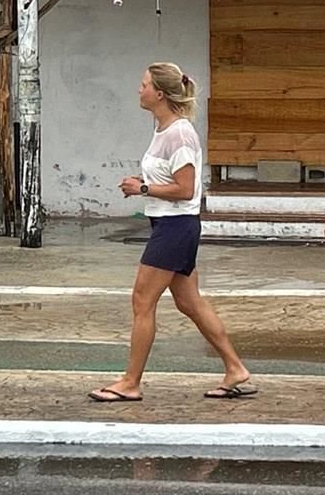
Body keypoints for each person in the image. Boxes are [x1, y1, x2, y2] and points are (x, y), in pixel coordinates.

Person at [89, 62, 256, 402]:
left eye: (144, 84)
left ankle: (130, 382)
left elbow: (185, 188)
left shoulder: (179, 132)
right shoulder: (163, 129)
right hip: (170, 224)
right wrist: (143, 186)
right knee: (189, 302)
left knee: (142, 300)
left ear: (160, 94)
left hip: (175, 226)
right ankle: (235, 368)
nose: (140, 89)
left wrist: (143, 189)